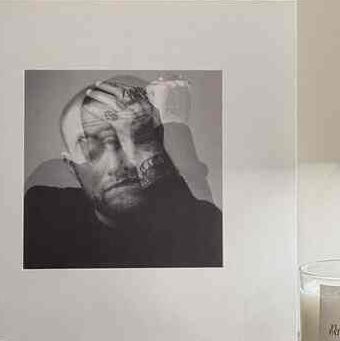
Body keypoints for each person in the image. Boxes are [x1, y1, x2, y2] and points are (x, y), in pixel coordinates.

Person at [24, 77, 222, 269]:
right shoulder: (42, 213)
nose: (116, 164)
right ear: (70, 166)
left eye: (136, 138)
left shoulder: (203, 222)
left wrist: (159, 137)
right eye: (91, 148)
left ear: (157, 147)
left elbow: (191, 234)